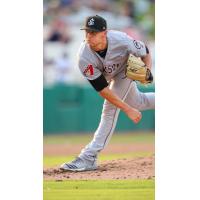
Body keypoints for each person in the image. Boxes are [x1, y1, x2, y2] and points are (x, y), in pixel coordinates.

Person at [60, 15, 155, 171]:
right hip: (111, 78)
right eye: (87, 32)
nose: (89, 36)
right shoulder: (84, 57)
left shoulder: (121, 40)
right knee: (139, 102)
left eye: (93, 32)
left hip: (127, 69)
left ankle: (88, 157)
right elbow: (102, 89)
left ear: (104, 33)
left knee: (109, 110)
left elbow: (145, 51)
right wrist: (128, 108)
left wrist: (146, 71)